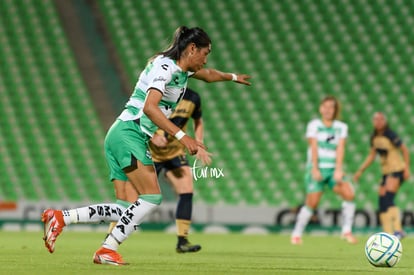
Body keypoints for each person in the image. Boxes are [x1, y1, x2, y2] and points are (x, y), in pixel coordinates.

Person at [41, 26, 250, 265]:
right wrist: (184, 137)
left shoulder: (182, 71)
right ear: (192, 49)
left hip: (123, 133)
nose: (206, 59)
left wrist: (233, 77)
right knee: (151, 198)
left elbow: (210, 74)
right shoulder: (166, 68)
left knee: (127, 209)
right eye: (205, 52)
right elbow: (150, 107)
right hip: (130, 132)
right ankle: (107, 248)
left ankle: (61, 217)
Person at [105, 87, 212, 253]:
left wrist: (199, 142)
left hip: (175, 152)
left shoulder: (193, 98)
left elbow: (198, 120)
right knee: (130, 198)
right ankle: (110, 236)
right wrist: (154, 137)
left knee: (187, 190)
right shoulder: (159, 93)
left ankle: (182, 240)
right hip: (150, 152)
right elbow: (142, 115)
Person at [291, 95, 357, 245]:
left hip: (333, 169)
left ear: (335, 110)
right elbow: (313, 146)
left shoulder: (341, 127)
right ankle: (297, 233)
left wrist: (339, 169)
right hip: (317, 168)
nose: (328, 110)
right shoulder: (314, 125)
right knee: (312, 203)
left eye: (331, 107)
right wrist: (315, 168)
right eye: (325, 107)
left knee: (349, 194)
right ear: (321, 108)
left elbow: (341, 148)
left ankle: (346, 231)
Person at [353, 112, 410, 239]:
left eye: (381, 119)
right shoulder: (374, 137)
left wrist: (406, 168)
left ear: (385, 121)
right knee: (382, 201)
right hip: (386, 172)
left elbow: (404, 150)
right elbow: (372, 155)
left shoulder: (390, 134)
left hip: (396, 169)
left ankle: (399, 230)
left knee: (388, 198)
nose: (378, 121)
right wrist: (360, 170)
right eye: (376, 119)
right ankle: (388, 232)